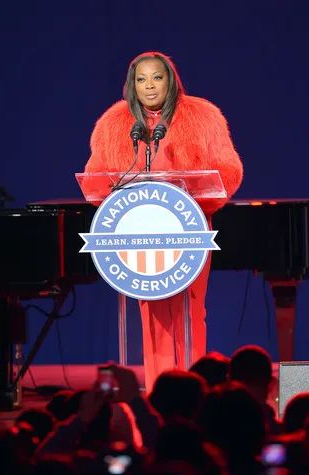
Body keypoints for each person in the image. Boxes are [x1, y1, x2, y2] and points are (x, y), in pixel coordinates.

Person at [84, 51, 243, 391]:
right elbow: (97, 178)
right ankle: (159, 390)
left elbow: (229, 171)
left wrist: (195, 190)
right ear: (132, 85)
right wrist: (113, 189)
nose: (149, 86)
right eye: (141, 79)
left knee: (190, 311)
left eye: (156, 77)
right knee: (152, 317)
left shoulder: (202, 116)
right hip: (140, 235)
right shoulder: (114, 124)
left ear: (170, 80)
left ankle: (193, 387)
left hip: (188, 229)